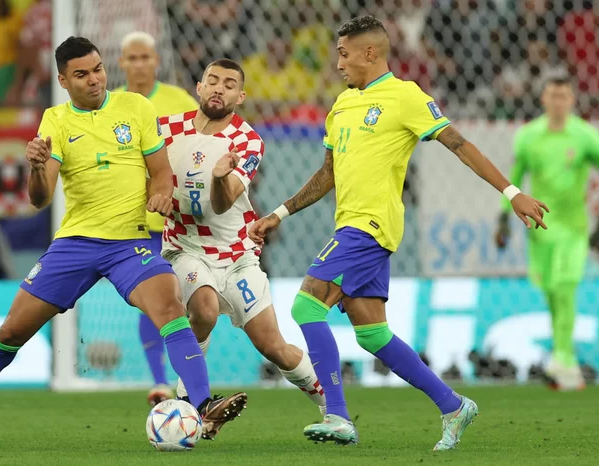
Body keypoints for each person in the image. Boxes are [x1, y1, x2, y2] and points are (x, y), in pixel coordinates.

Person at [249, 15, 548, 450]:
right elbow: (327, 173)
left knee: (307, 307)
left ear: (371, 53)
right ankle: (453, 405)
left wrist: (512, 192)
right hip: (349, 223)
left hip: (370, 225)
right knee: (372, 334)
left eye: (344, 54)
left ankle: (337, 416)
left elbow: (459, 144)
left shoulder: (405, 97)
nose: (338, 64)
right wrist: (280, 211)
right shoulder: (341, 106)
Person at [0, 36, 246, 445]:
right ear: (63, 80)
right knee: (11, 332)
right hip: (75, 243)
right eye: (82, 74)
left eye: (97, 69)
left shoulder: (135, 107)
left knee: (170, 306)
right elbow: (40, 198)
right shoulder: (55, 120)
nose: (95, 79)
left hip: (130, 243)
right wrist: (37, 168)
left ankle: (202, 405)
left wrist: (162, 192)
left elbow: (161, 171)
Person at [160, 58, 326, 418]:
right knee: (202, 309)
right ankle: (193, 405)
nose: (220, 88)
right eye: (213, 80)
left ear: (241, 96)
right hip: (185, 247)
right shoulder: (165, 129)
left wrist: (220, 177)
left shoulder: (247, 140)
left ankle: (333, 407)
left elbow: (220, 205)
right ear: (199, 87)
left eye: (230, 84)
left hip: (236, 253)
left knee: (273, 346)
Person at [495, 73, 599, 391]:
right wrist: (502, 218)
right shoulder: (529, 136)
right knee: (552, 290)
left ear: (572, 100)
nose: (558, 102)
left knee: (565, 285)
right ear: (543, 99)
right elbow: (513, 178)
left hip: (573, 227)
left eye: (564, 96)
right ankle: (563, 361)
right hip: (539, 229)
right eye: (552, 96)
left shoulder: (584, 135)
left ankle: (563, 357)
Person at [116, 31, 198, 406]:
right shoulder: (111, 105)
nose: (139, 64)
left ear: (156, 61)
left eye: (144, 57)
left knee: (188, 300)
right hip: (137, 222)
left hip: (179, 220)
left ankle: (188, 378)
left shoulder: (179, 101)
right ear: (122, 64)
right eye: (131, 58)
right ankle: (160, 380)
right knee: (152, 298)